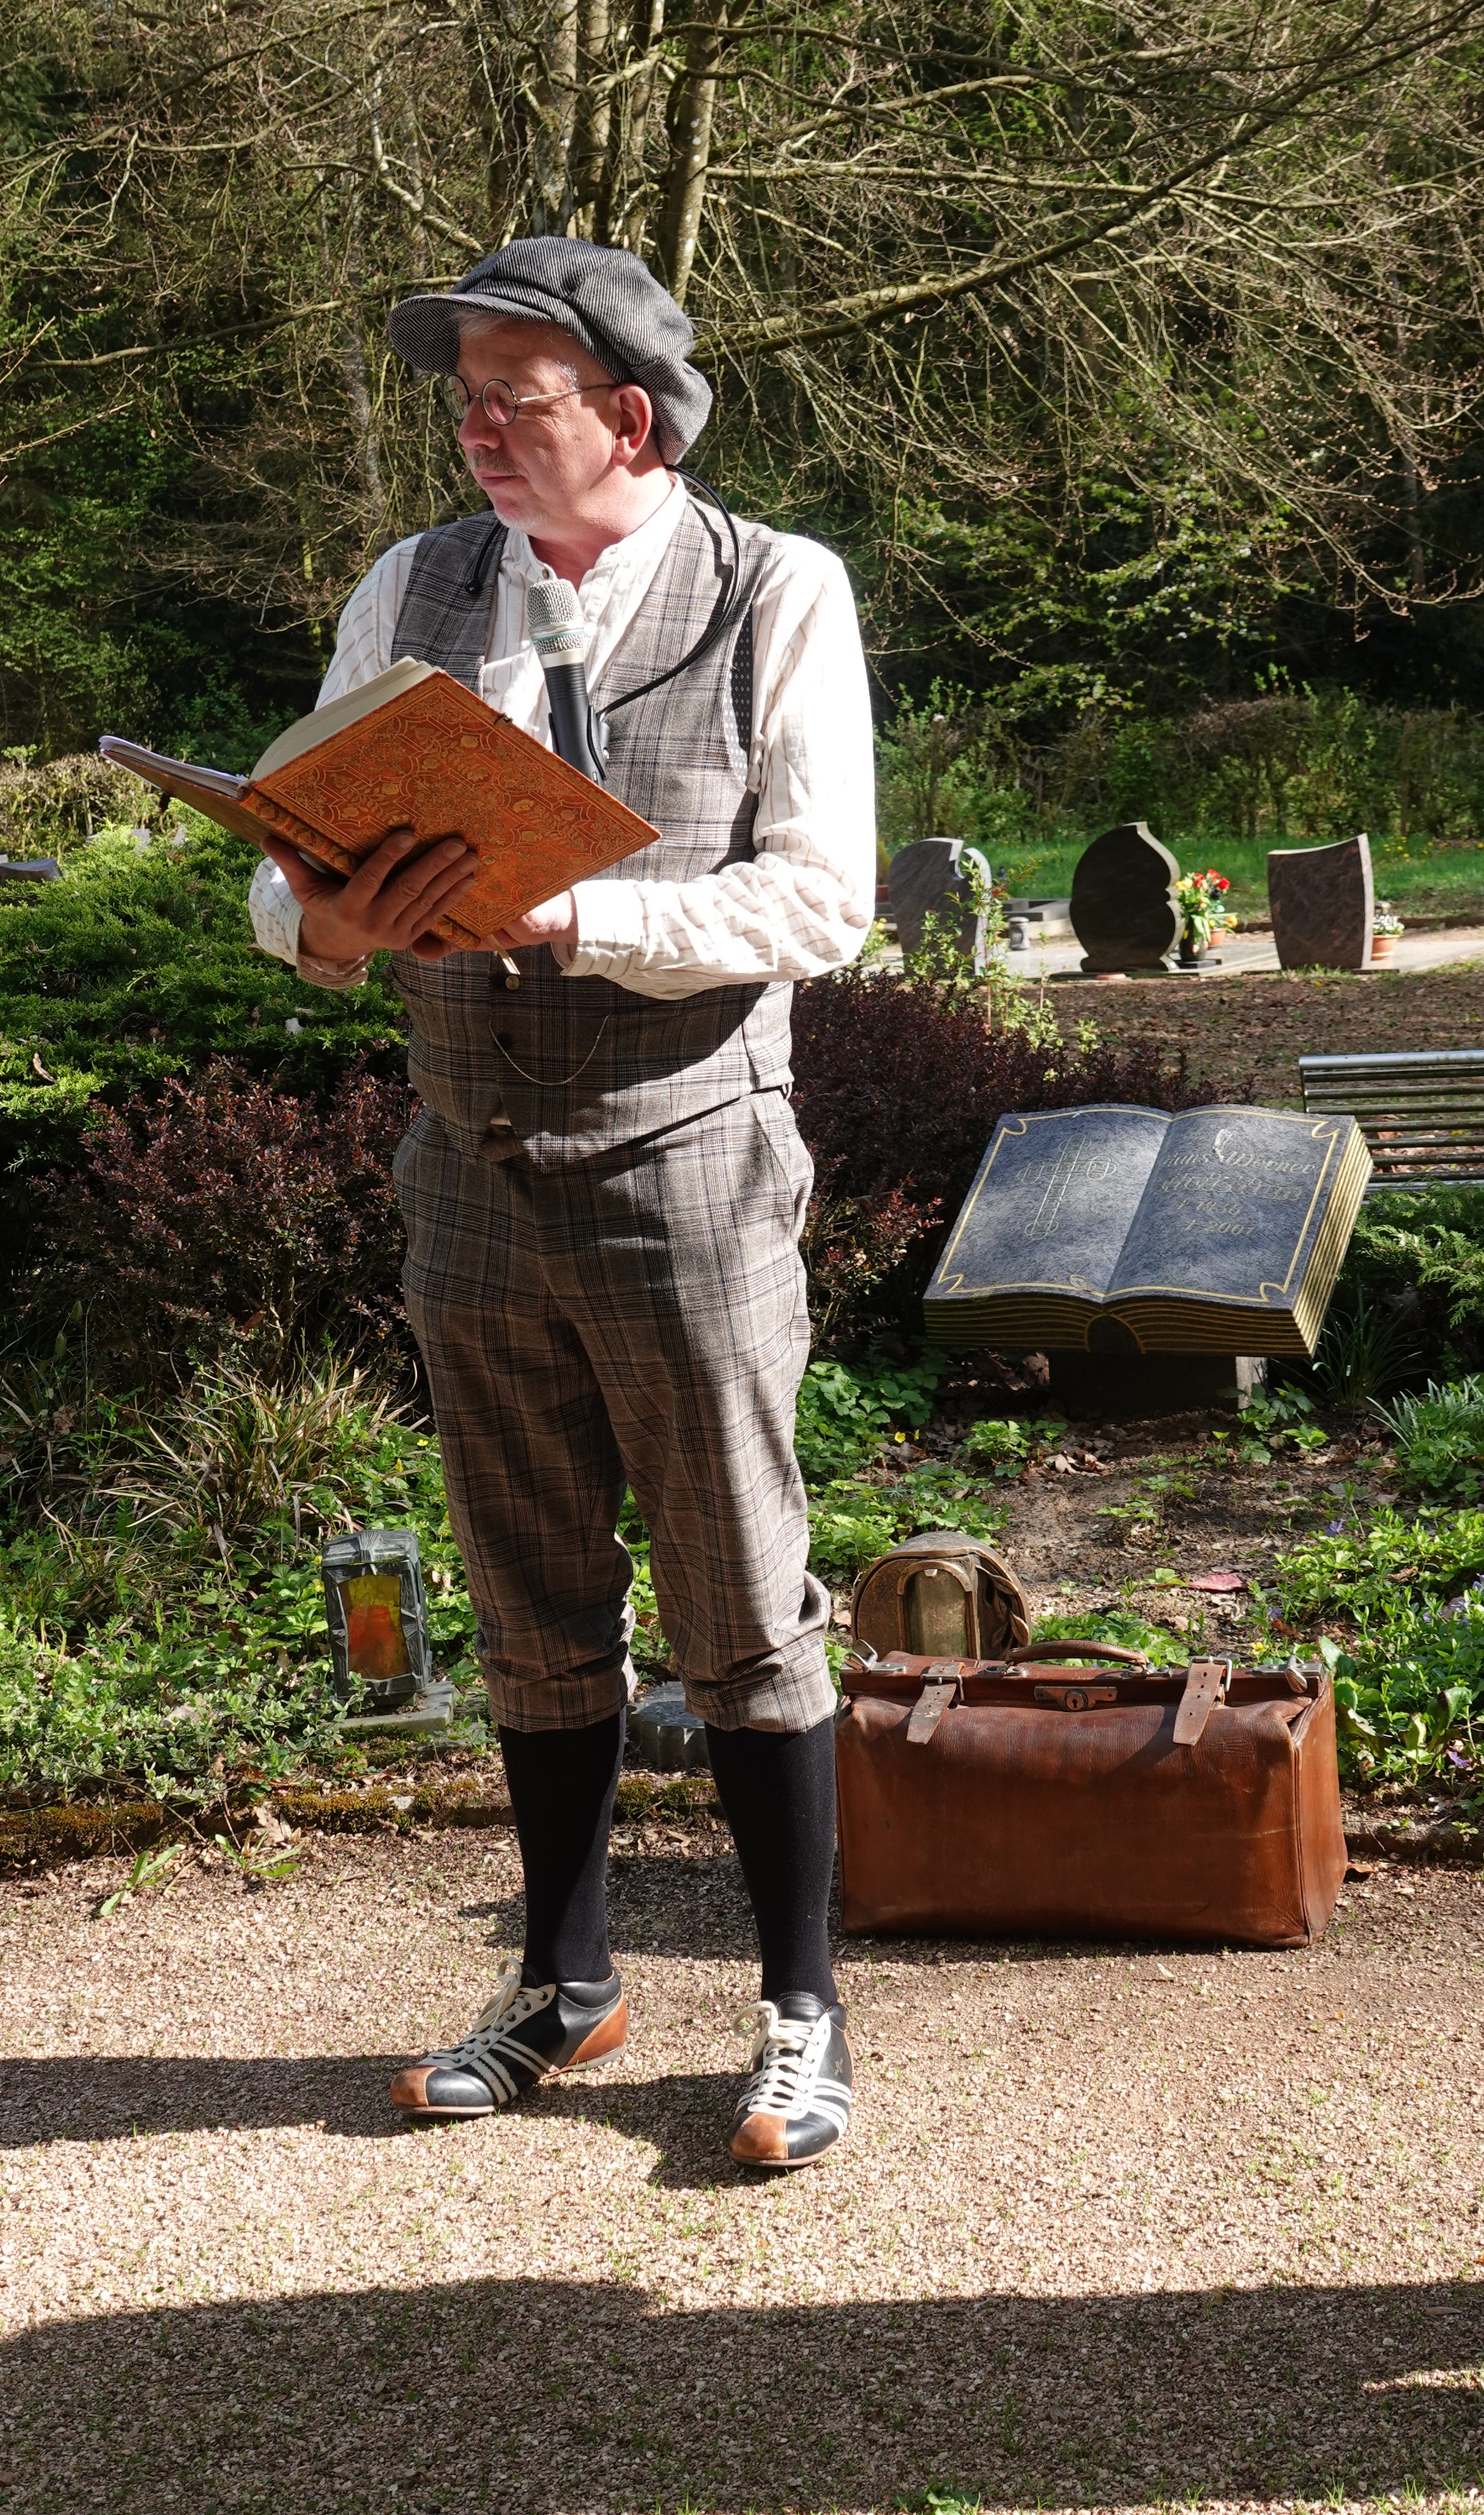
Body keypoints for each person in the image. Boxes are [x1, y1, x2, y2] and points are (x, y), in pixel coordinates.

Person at [247, 238, 875, 2167]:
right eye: (460, 399)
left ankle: (798, 2014)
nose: (473, 433)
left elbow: (820, 902)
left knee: (743, 1605)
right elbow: (288, 870)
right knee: (531, 1608)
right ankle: (564, 1984)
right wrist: (320, 925)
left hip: (690, 1160)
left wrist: (578, 911)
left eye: (509, 399)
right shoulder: (410, 587)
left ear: (628, 415)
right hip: (469, 1165)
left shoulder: (781, 586)